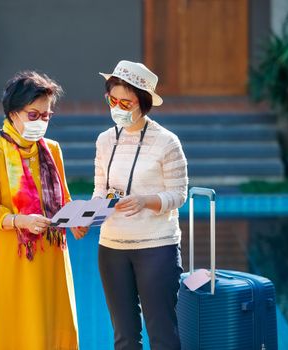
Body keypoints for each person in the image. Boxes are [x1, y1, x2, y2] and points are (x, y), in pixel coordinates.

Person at [74, 60, 188, 349]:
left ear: (143, 102)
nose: (118, 107)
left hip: (156, 247)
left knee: (162, 332)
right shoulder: (103, 141)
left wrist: (145, 201)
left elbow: (179, 195)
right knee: (124, 336)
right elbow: (100, 191)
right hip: (112, 247)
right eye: (113, 100)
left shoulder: (167, 142)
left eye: (126, 102)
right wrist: (86, 217)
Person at [0, 71, 82, 350]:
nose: (41, 122)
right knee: (20, 329)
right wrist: (21, 220)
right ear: (13, 113)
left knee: (56, 324)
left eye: (46, 116)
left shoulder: (53, 150)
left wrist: (78, 221)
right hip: (15, 259)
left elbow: (64, 200)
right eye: (33, 115)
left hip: (53, 256)